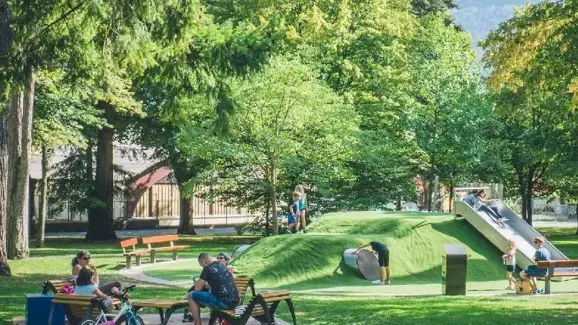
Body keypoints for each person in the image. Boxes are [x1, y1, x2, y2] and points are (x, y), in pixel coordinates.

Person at [187, 253, 239, 325]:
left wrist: (198, 282)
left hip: (223, 303)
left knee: (191, 295)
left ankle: (198, 323)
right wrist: (206, 286)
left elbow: (197, 289)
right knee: (211, 293)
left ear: (203, 261)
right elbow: (221, 286)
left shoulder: (207, 268)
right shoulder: (222, 266)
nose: (202, 267)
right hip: (234, 303)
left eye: (201, 265)